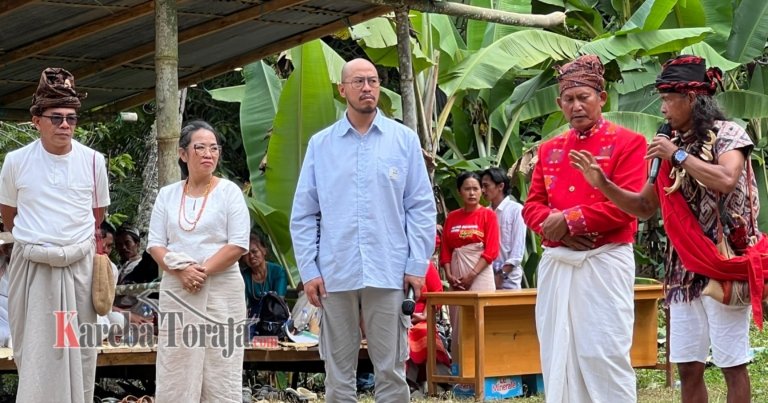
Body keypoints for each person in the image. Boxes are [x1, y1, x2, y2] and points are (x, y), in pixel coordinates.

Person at [568, 55, 754, 403]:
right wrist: (603, 183)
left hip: (723, 259)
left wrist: (678, 157)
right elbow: (644, 206)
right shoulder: (665, 143)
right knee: (687, 366)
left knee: (732, 363)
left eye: (669, 99)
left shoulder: (730, 135)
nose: (663, 108)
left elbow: (727, 179)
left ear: (692, 99)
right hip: (682, 267)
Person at [290, 58, 436, 402]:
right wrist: (309, 271)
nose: (367, 87)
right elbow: (304, 213)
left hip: (389, 271)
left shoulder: (403, 140)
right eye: (358, 81)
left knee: (390, 369)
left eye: (372, 80)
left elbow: (420, 207)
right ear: (343, 90)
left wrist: (417, 265)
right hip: (334, 273)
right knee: (338, 372)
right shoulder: (321, 145)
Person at [521, 55, 647, 402]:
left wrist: (571, 220)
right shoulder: (549, 149)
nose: (576, 106)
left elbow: (627, 206)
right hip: (558, 262)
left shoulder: (629, 143)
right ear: (559, 103)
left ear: (601, 98)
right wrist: (556, 229)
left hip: (604, 263)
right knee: (557, 351)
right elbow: (532, 206)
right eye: (568, 99)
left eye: (583, 97)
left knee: (603, 351)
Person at [0, 67, 110, 403]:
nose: (65, 125)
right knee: (34, 352)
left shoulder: (93, 161)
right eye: (57, 117)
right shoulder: (16, 161)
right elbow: (9, 216)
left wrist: (67, 248)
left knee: (75, 350)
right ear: (36, 120)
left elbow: (97, 215)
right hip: (32, 271)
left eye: (72, 118)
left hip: (77, 271)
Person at [147, 120, 250, 402]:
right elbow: (155, 244)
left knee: (221, 363)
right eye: (200, 147)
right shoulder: (167, 195)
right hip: (177, 287)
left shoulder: (229, 192)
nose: (208, 154)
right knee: (176, 362)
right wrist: (182, 273)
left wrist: (200, 272)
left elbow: (238, 244)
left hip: (221, 288)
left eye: (214, 148)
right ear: (183, 154)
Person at [440, 171, 499, 365]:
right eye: (467, 189)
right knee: (459, 321)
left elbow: (491, 250)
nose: (472, 193)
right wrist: (448, 273)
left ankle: (486, 366)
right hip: (457, 274)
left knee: (482, 317)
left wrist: (472, 275)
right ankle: (461, 367)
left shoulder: (488, 215)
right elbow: (446, 248)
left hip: (480, 272)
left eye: (476, 188)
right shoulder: (452, 217)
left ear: (481, 191)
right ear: (459, 191)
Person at [481, 167, 526, 289]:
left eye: (486, 186)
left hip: (509, 279)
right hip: (485, 276)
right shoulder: (484, 212)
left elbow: (518, 249)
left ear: (500, 186)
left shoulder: (516, 210)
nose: (482, 190)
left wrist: (502, 273)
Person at [241, 231, 288, 314]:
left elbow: (279, 301)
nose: (251, 256)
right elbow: (241, 302)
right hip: (253, 317)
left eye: (254, 251)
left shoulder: (278, 271)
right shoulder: (244, 276)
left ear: (264, 251)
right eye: (247, 254)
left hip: (276, 315)